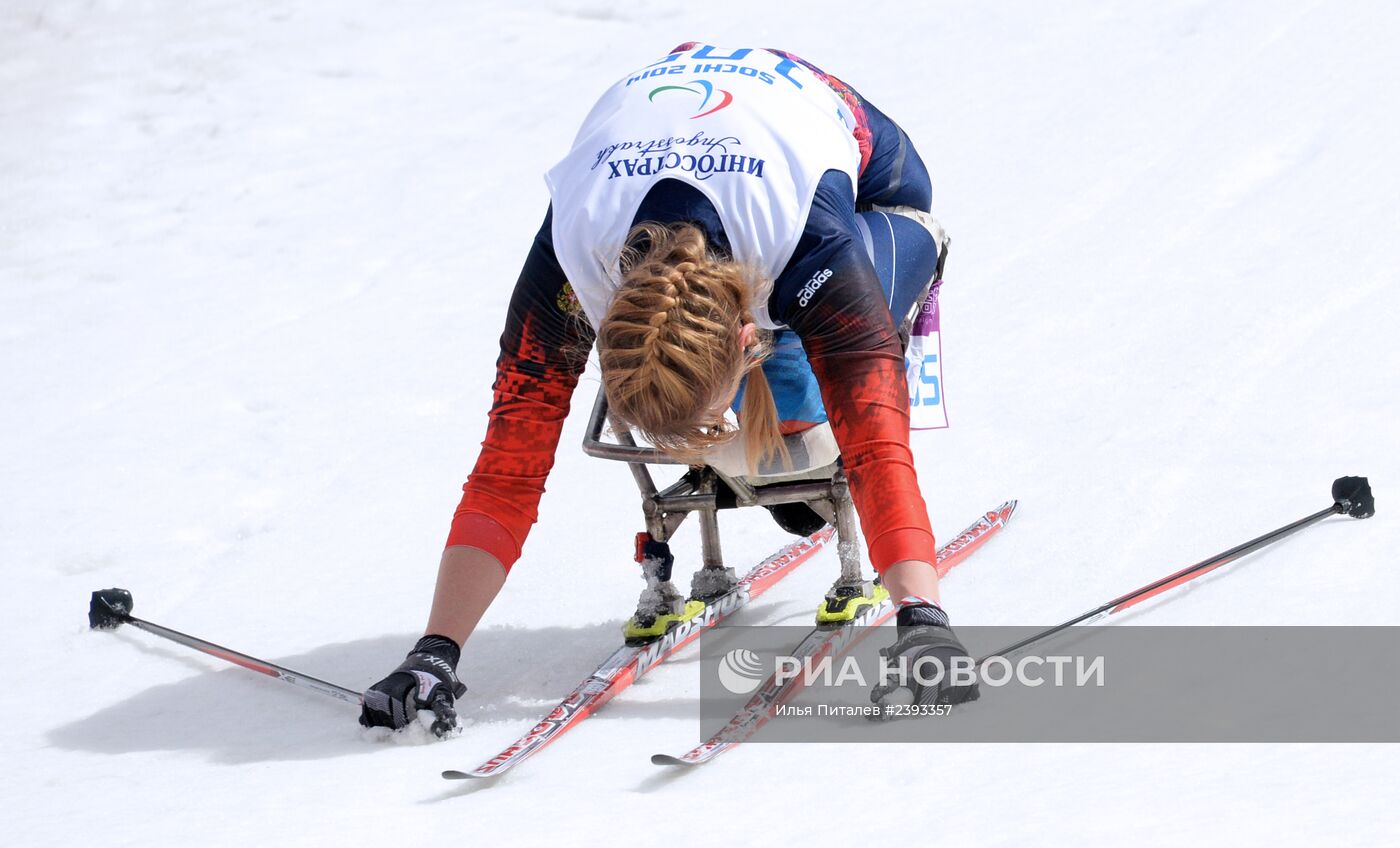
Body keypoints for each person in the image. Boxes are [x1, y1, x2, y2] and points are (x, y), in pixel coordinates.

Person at [358, 43, 977, 736]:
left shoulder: (811, 243)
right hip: (674, 115)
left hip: (827, 130)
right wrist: (433, 652)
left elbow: (879, 449)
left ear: (747, 340)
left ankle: (788, 417)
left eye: (704, 427)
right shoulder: (571, 262)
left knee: (857, 319)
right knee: (782, 401)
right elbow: (506, 470)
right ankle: (775, 439)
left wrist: (923, 620)